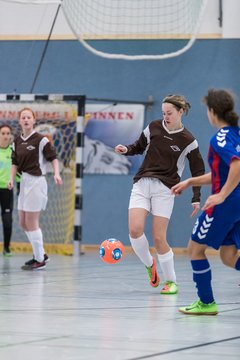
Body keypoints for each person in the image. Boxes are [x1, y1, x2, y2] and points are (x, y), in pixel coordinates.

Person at [115, 94, 205, 294]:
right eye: (164, 113)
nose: (166, 116)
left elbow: (198, 171)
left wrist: (196, 197)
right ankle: (150, 265)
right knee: (135, 230)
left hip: (165, 189)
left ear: (181, 112)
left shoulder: (188, 140)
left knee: (158, 238)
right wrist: (126, 149)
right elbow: (138, 147)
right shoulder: (154, 127)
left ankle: (171, 281)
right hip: (142, 183)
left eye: (170, 113)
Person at [172, 88, 240, 315]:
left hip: (226, 204)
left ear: (212, 111)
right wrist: (191, 181)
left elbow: (236, 165)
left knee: (194, 250)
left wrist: (221, 195)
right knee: (228, 256)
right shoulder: (235, 134)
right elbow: (222, 173)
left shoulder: (220, 137)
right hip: (236, 203)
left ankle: (206, 303)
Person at [8, 108, 63, 270]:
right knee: (23, 222)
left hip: (37, 182)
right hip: (24, 181)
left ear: (33, 120)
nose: (25, 119)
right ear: (20, 121)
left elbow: (53, 158)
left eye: (28, 117)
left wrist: (57, 174)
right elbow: (14, 163)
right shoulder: (16, 141)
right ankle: (41, 254)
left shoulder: (41, 140)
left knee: (32, 221)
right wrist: (11, 179)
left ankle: (40, 259)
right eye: (23, 117)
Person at [0, 124, 15, 256]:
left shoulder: (13, 152)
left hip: (7, 190)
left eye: (7, 133)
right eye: (3, 133)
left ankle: (6, 247)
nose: (5, 136)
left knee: (7, 220)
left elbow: (19, 172)